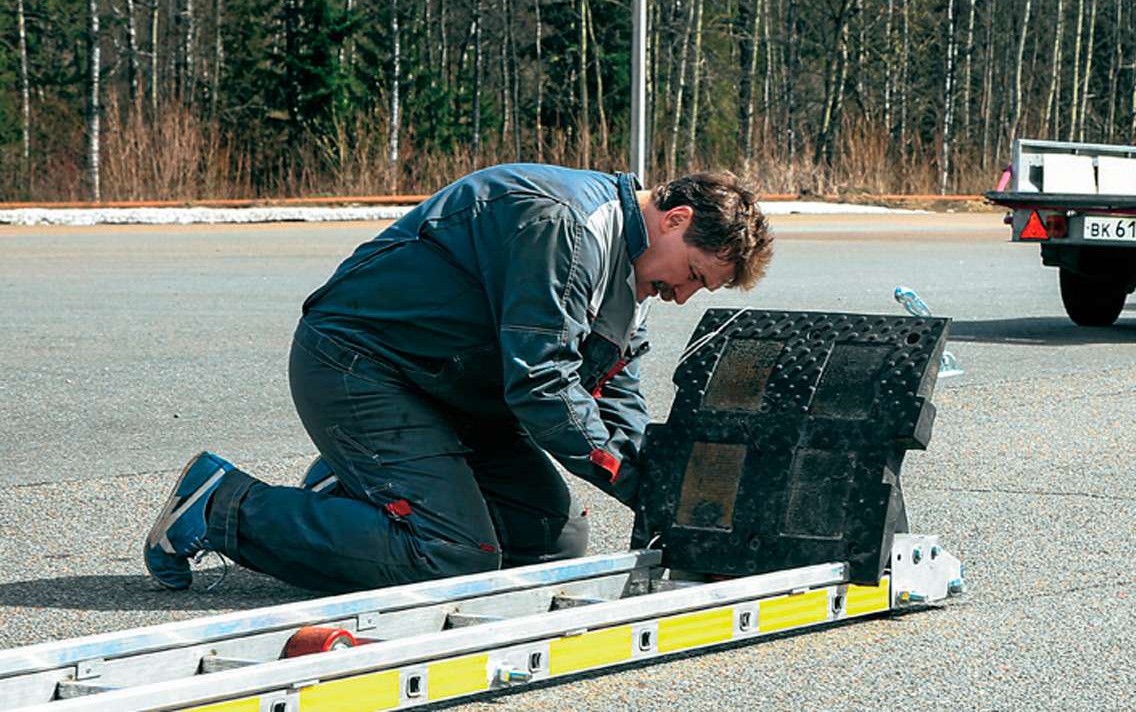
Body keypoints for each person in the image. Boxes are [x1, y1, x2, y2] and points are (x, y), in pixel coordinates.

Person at [144, 164, 773, 593]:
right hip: (362, 367)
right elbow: (545, 386)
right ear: (675, 218)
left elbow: (614, 391)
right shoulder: (562, 226)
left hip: (455, 391)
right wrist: (636, 482)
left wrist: (663, 482)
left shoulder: (632, 270)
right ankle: (221, 506)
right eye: (693, 274)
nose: (684, 296)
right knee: (450, 556)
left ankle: (355, 489)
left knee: (554, 541)